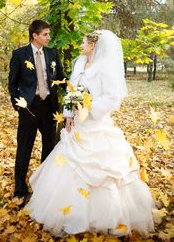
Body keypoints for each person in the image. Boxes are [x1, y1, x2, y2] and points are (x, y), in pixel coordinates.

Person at [25, 30, 155, 237]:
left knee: (103, 171)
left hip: (96, 125)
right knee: (68, 163)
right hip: (76, 126)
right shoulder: (79, 64)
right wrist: (69, 114)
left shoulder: (105, 68)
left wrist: (89, 108)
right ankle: (67, 213)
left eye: (84, 42)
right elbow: (71, 91)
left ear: (93, 45)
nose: (80, 46)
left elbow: (113, 98)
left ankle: (107, 217)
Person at [8, 20, 65, 206]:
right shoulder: (19, 55)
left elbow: (60, 78)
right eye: (45, 34)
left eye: (49, 34)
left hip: (49, 107)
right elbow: (12, 84)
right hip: (29, 109)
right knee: (24, 149)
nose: (49, 37)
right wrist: (19, 105)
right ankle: (20, 190)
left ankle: (43, 187)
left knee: (49, 148)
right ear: (35, 36)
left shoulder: (52, 53)